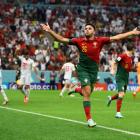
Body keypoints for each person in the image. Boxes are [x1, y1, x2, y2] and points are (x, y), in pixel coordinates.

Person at [40, 23, 140, 127]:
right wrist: (49, 31)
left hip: (93, 71)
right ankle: (89, 119)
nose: (87, 30)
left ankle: (76, 89)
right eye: (85, 28)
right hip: (83, 69)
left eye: (89, 28)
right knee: (87, 92)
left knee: (86, 93)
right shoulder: (79, 41)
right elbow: (61, 39)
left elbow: (116, 37)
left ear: (94, 31)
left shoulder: (100, 40)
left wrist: (132, 33)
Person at [107, 44, 134, 118]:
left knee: (121, 94)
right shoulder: (123, 56)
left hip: (126, 78)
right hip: (120, 77)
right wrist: (112, 70)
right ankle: (118, 113)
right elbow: (114, 62)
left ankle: (111, 98)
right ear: (132, 50)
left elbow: (128, 68)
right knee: (121, 94)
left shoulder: (130, 58)